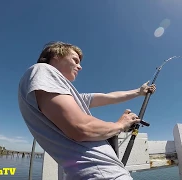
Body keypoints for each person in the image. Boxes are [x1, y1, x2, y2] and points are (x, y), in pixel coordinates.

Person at [17, 41, 156, 180]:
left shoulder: (69, 96)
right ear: (55, 56)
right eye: (75, 60)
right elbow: (81, 128)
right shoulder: (43, 70)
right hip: (102, 175)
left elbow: (109, 97)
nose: (80, 66)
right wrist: (120, 125)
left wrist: (139, 91)